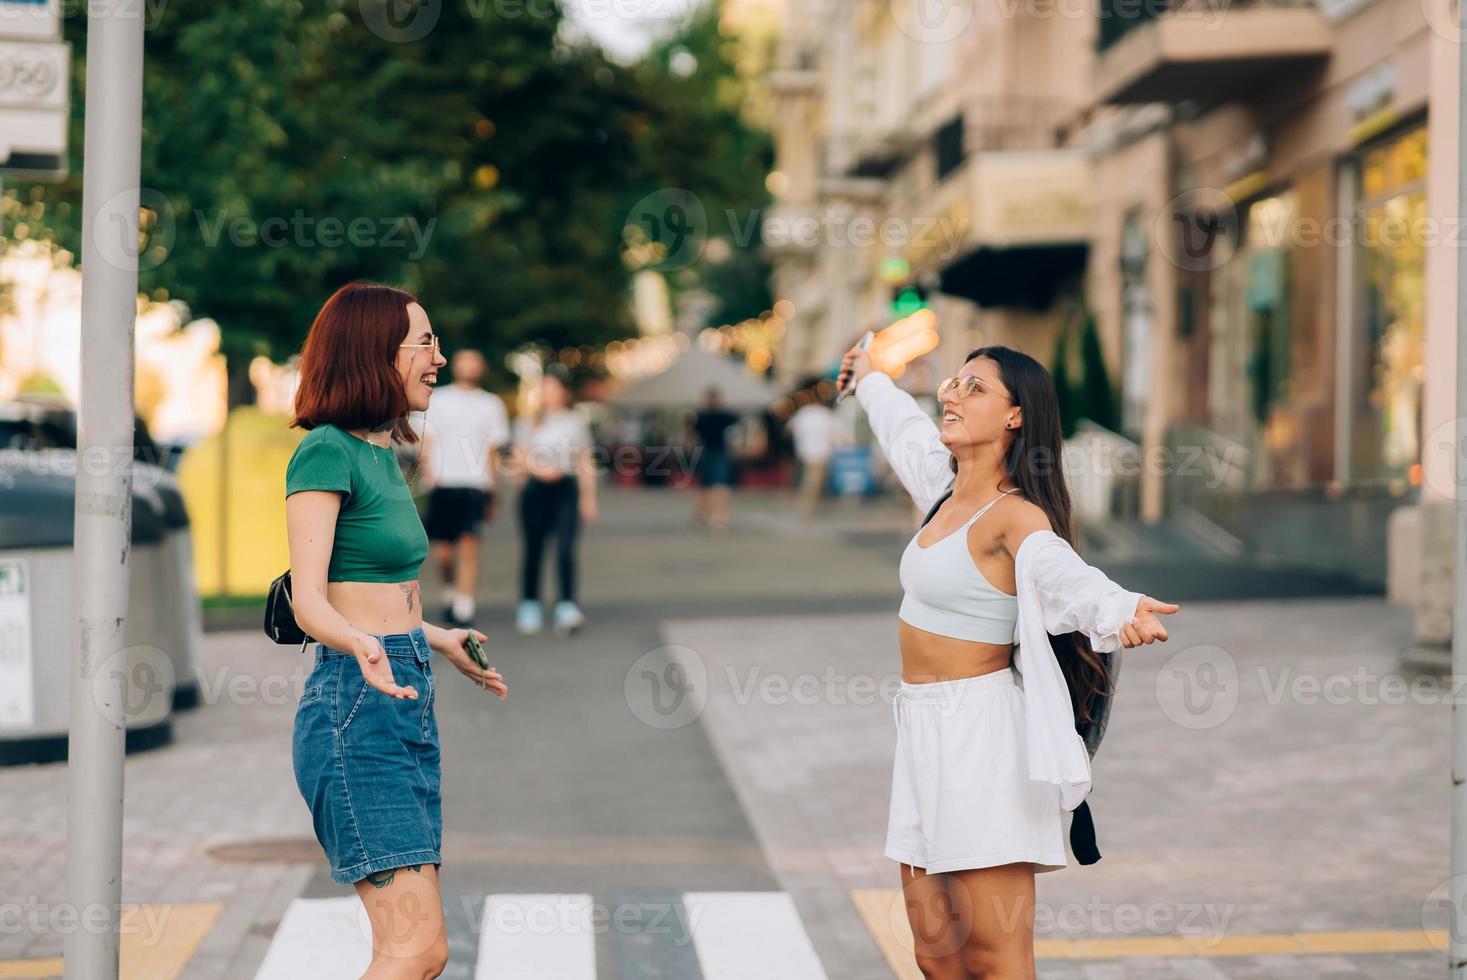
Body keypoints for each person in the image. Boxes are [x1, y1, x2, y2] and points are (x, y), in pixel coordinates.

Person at [839, 340, 1180, 980]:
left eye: (976, 389)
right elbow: (905, 430)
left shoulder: (1015, 517)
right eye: (953, 383)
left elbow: (1066, 577)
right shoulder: (943, 494)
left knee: (995, 959)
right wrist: (869, 380)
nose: (951, 395)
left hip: (983, 740)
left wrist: (1119, 608)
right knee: (935, 955)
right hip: (920, 730)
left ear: (1016, 415)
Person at [284, 282, 509, 980]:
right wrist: (361, 645)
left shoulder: (382, 452)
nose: (437, 358)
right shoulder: (325, 452)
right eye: (424, 342)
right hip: (356, 708)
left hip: (401, 689)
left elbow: (380, 590)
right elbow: (308, 599)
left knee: (415, 951)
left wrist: (434, 638)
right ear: (372, 352)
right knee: (415, 951)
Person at [420, 349, 511, 628]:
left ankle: (465, 604)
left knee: (470, 544)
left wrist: (493, 489)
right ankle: (449, 591)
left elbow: (492, 449)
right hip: (443, 482)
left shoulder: (491, 404)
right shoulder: (439, 399)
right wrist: (428, 471)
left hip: (476, 483)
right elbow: (426, 437)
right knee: (444, 551)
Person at [512, 364, 598, 636]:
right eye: (544, 388)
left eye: (553, 388)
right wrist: (538, 471)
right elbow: (519, 456)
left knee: (564, 549)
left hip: (566, 490)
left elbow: (585, 460)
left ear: (563, 392)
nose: (548, 393)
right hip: (535, 490)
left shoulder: (575, 421)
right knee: (534, 549)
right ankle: (530, 604)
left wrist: (589, 498)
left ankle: (567, 606)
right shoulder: (527, 422)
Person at [690, 385, 738, 531]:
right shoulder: (725, 416)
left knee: (706, 487)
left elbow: (692, 438)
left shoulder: (701, 416)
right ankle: (718, 519)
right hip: (717, 454)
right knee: (718, 487)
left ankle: (702, 517)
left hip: (707, 453)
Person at [788, 386, 836, 517]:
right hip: (821, 452)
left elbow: (791, 430)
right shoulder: (825, 414)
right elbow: (833, 435)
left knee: (807, 479)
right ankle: (806, 507)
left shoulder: (803, 413)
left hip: (805, 451)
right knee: (814, 482)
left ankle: (809, 505)